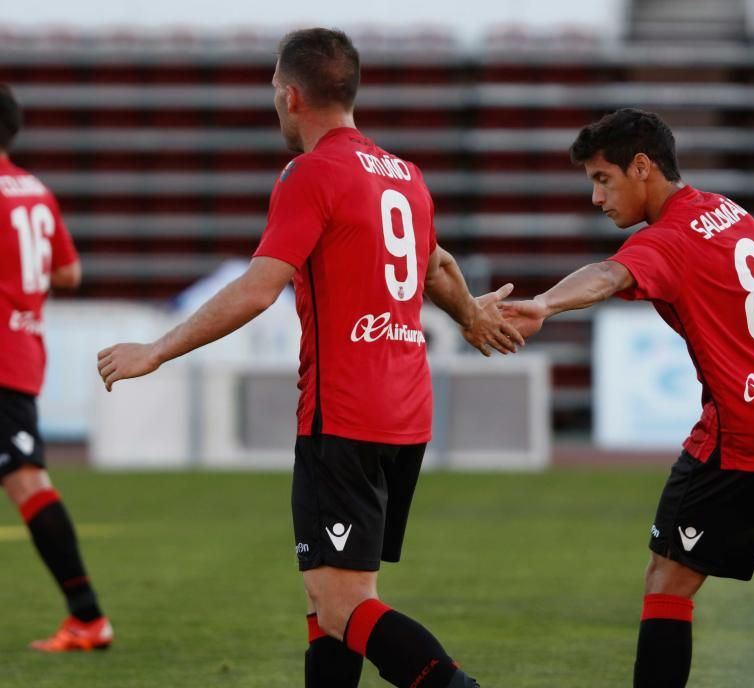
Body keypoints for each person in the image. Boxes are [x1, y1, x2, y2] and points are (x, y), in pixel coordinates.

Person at [97, 28, 522, 688]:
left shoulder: (312, 173)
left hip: (345, 412)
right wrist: (470, 316)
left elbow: (258, 287)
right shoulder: (406, 175)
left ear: (290, 95)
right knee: (332, 599)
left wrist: (156, 350)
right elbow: (437, 264)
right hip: (405, 410)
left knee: (341, 604)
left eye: (273, 90)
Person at [501, 108, 754, 688]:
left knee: (667, 582)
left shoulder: (669, 239)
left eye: (602, 179)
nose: (595, 197)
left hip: (747, 434)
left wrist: (543, 304)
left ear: (642, 168)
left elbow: (606, 276)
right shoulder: (728, 210)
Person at [0, 85, 113, 651]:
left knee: (26, 480)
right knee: (26, 479)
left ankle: (89, 617)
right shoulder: (36, 192)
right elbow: (69, 274)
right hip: (22, 350)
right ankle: (87, 617)